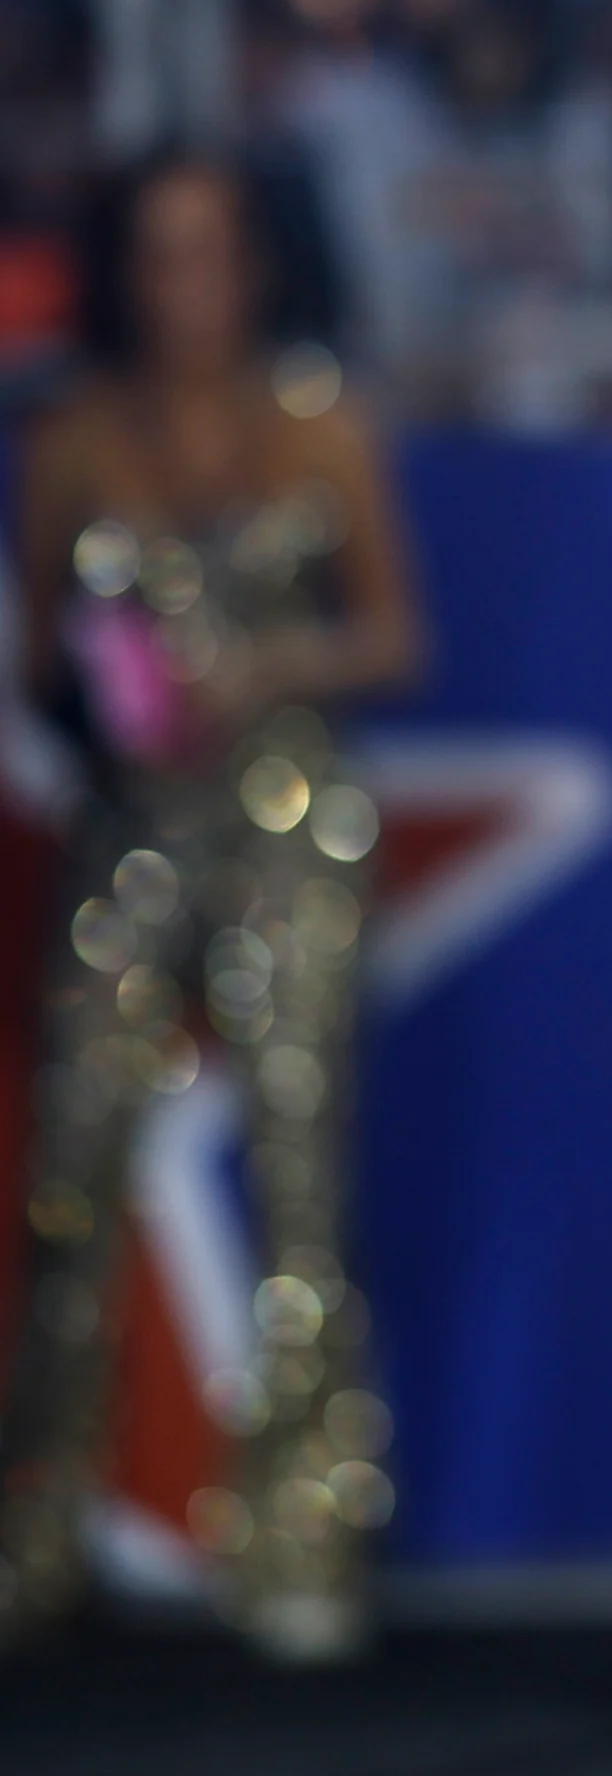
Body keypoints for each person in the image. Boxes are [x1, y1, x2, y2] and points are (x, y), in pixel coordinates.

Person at [0, 155, 425, 1661]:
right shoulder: (70, 442)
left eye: (214, 252)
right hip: (131, 830)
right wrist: (108, 697)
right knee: (68, 1168)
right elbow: (43, 661)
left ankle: (306, 1535)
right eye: (160, 255)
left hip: (293, 814)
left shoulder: (321, 427)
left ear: (258, 264)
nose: (189, 286)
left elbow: (394, 633)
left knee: (306, 1175)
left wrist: (268, 671)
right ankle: (37, 1524)